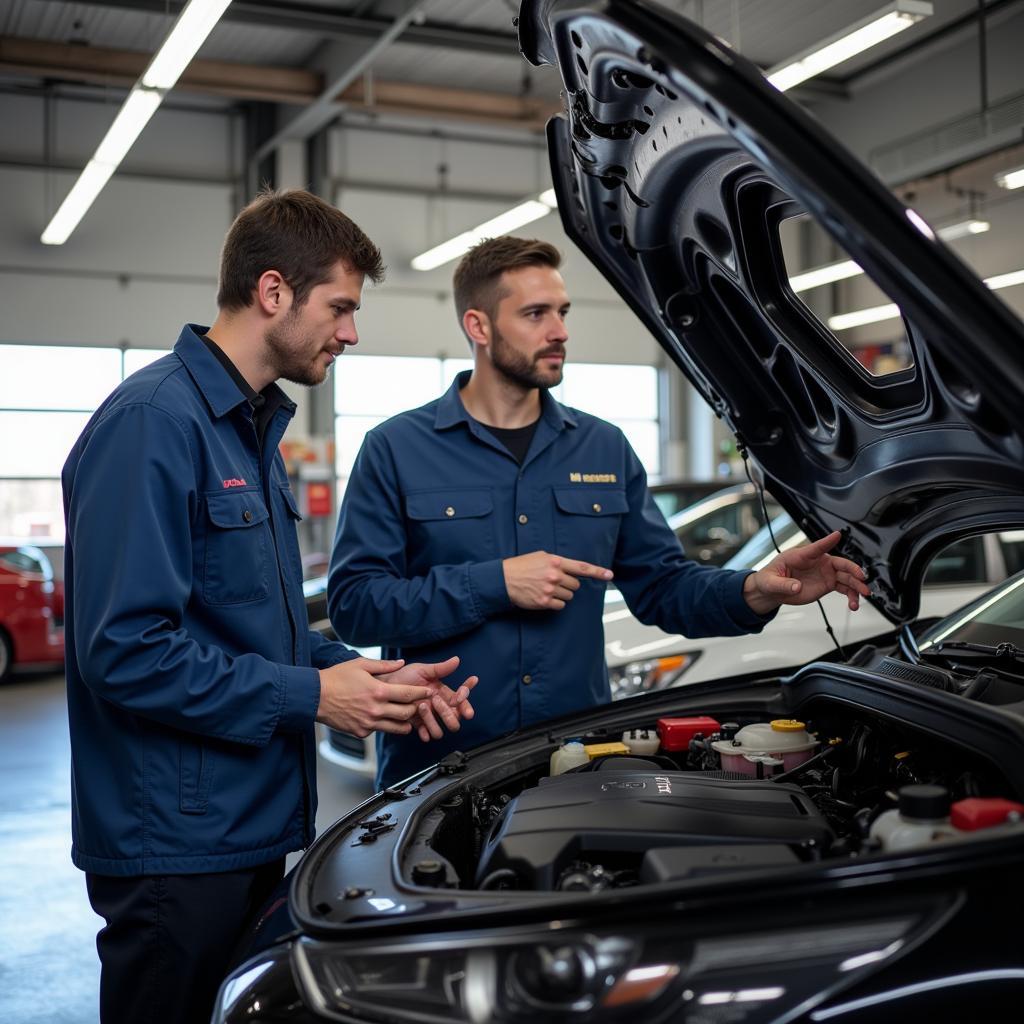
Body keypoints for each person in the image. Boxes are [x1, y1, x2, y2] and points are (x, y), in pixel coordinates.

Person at [62, 189, 476, 1024]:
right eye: (341, 307)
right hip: (173, 849)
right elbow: (126, 650)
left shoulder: (247, 431)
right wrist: (315, 698)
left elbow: (250, 627)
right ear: (274, 292)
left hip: (246, 826)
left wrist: (364, 679)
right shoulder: (153, 424)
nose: (351, 333)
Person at [327, 236, 870, 790]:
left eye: (562, 312)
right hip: (438, 767)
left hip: (574, 760)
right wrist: (494, 584)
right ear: (479, 326)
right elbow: (354, 605)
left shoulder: (603, 448)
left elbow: (662, 586)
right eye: (535, 314)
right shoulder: (396, 448)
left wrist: (756, 589)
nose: (559, 330)